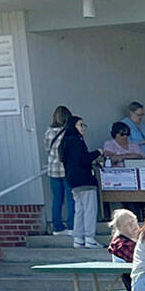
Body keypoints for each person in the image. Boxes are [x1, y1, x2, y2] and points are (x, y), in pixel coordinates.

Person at [58, 114, 102, 248]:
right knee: (90, 209)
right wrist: (97, 152)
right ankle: (89, 237)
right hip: (85, 179)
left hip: (73, 180)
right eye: (80, 125)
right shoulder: (77, 141)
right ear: (74, 126)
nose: (83, 128)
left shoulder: (65, 142)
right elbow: (83, 159)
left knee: (80, 209)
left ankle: (78, 238)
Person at [44, 106, 75, 234]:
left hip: (53, 170)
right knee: (71, 199)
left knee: (57, 199)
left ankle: (57, 227)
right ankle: (71, 226)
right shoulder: (70, 132)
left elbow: (47, 148)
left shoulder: (49, 132)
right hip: (67, 170)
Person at [107, 208, 139, 291]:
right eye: (128, 224)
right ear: (120, 228)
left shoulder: (143, 236)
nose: (133, 225)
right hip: (135, 283)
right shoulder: (119, 244)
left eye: (134, 221)